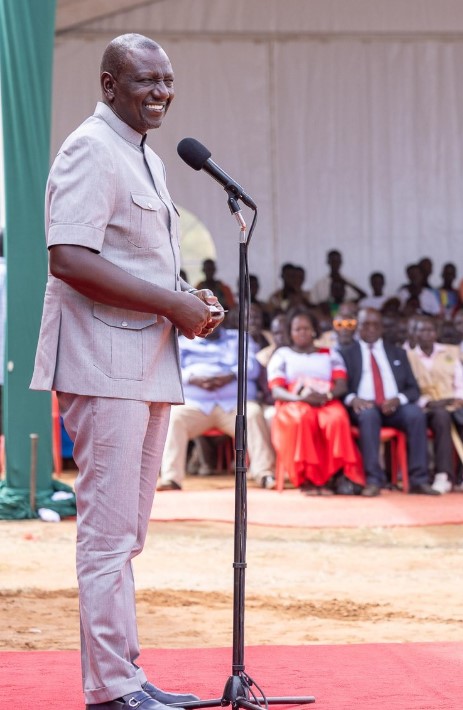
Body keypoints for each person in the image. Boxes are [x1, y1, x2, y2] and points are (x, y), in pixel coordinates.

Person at [31, 34, 218, 709]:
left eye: (168, 79)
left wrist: (187, 299)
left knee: (127, 535)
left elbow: (138, 265)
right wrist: (168, 300)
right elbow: (70, 259)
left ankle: (127, 678)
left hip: (143, 361)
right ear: (109, 84)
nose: (161, 92)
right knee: (107, 536)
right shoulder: (90, 148)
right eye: (146, 80)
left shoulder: (147, 159)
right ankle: (111, 690)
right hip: (103, 363)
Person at [157, 324, 275, 492]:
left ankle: (264, 473)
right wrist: (193, 379)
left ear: (222, 318)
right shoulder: (183, 342)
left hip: (234, 405)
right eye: (205, 316)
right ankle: (171, 478)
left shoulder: (239, 338)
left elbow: (253, 367)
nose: (210, 321)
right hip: (196, 405)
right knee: (174, 417)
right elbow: (170, 370)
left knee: (253, 413)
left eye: (214, 316)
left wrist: (231, 375)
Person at [268, 311, 366, 494]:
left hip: (325, 401)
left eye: (306, 328)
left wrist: (328, 396)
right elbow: (276, 389)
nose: (302, 333)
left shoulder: (330, 353)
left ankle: (332, 477)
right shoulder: (282, 354)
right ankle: (306, 479)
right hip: (294, 402)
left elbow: (342, 384)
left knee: (336, 419)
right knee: (302, 420)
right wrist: (300, 398)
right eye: (297, 329)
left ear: (314, 331)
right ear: (290, 333)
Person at [337, 308, 432, 496]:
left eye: (375, 325)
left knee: (416, 415)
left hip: (394, 406)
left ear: (382, 328)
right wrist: (353, 399)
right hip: (364, 406)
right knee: (369, 416)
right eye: (366, 325)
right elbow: (340, 387)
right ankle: (373, 481)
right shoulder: (346, 353)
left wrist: (398, 399)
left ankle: (418, 480)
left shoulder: (397, 352)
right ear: (357, 327)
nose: (371, 329)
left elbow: (413, 389)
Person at [406, 315, 463, 494]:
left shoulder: (450, 354)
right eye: (422, 330)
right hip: (427, 407)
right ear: (415, 334)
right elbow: (408, 388)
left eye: (430, 330)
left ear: (437, 333)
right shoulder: (408, 356)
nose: (427, 334)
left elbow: (460, 382)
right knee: (441, 417)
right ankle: (443, 475)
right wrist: (429, 402)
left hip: (452, 402)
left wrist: (460, 399)